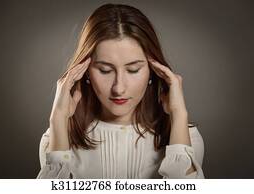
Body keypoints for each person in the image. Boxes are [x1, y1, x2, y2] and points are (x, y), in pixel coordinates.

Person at [37, 3, 204, 179]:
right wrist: (58, 117)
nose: (119, 88)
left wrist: (179, 114)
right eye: (105, 70)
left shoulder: (186, 137)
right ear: (85, 71)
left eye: (133, 70)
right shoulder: (57, 136)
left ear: (153, 71)